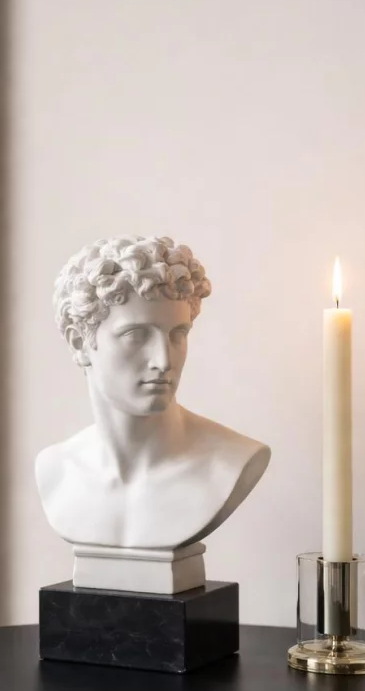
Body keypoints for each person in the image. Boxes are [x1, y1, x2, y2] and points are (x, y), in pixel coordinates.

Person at [36, 235, 270, 551]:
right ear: (79, 342)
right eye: (136, 335)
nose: (163, 361)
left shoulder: (229, 462)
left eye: (178, 335)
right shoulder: (57, 471)